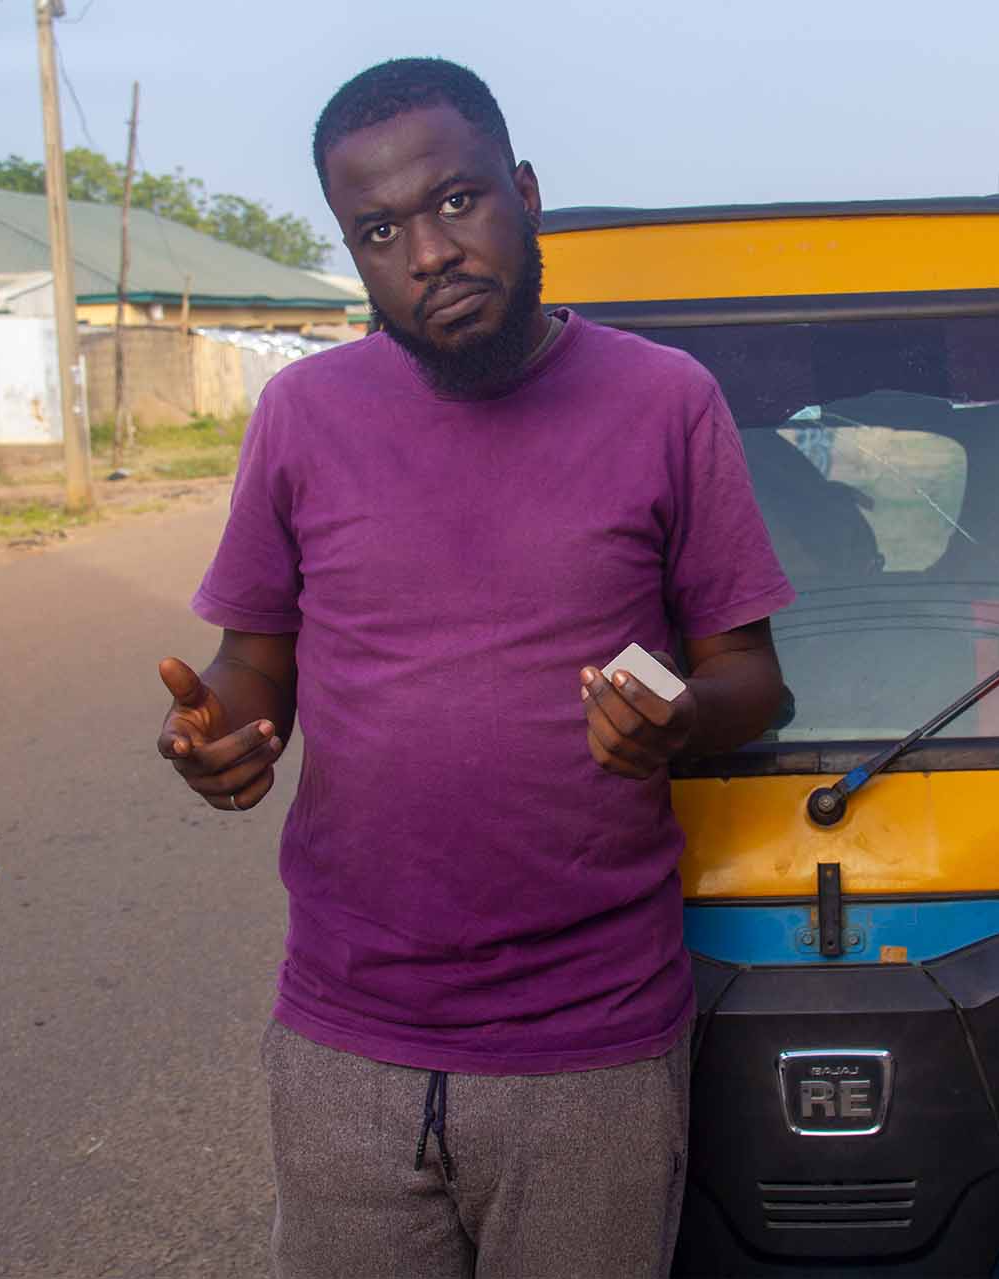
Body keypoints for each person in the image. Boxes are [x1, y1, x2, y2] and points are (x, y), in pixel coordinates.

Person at [153, 57, 794, 1279]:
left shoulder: (666, 402)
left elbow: (754, 680)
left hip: (592, 1051)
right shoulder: (302, 414)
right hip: (346, 1038)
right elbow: (251, 668)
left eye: (457, 201)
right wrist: (213, 735)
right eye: (380, 229)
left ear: (528, 191)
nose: (430, 252)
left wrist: (677, 722)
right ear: (355, 255)